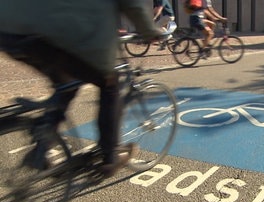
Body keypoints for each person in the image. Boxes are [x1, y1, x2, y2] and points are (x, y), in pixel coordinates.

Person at [0, 0, 166, 178]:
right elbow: (133, 5)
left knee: (67, 82)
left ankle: (43, 143)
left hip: (9, 30)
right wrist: (150, 32)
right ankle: (110, 157)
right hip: (56, 33)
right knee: (110, 84)